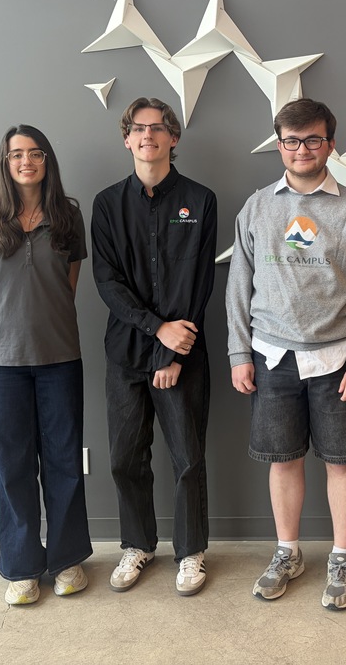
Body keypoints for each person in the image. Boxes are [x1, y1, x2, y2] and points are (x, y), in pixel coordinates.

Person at [226, 98, 346, 611]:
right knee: (283, 461)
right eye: (291, 141)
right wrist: (238, 353)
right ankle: (287, 552)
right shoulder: (257, 207)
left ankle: (342, 557)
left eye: (313, 139)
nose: (302, 150)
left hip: (338, 360)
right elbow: (238, 286)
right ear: (280, 146)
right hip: (271, 357)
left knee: (343, 464)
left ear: (330, 145)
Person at [91, 97, 217, 597]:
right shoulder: (106, 204)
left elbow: (199, 283)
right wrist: (154, 329)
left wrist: (172, 353)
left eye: (159, 127)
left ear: (173, 138)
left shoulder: (201, 200)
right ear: (127, 139)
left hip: (182, 354)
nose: (149, 135)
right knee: (125, 458)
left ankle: (190, 552)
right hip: (125, 352)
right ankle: (137, 544)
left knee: (187, 458)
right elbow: (107, 281)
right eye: (139, 128)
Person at [0, 124, 92, 605]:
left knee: (64, 462)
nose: (26, 161)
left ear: (46, 160)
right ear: (6, 161)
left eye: (35, 153)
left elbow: (67, 289)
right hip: (2, 363)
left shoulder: (69, 217)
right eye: (17, 154)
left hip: (60, 358)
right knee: (11, 465)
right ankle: (20, 567)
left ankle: (67, 560)